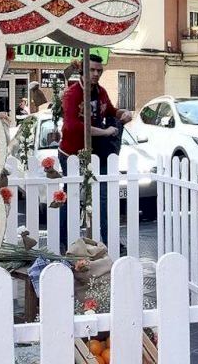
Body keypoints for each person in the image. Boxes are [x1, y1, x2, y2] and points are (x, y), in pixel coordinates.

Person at [57, 54, 133, 249]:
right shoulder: (72, 94)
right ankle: (63, 242)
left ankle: (109, 241)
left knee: (103, 197)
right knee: (72, 196)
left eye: (99, 70)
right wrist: (104, 132)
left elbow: (111, 111)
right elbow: (73, 126)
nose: (96, 74)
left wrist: (123, 113)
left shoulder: (101, 92)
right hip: (71, 154)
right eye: (91, 70)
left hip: (97, 154)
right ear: (82, 71)